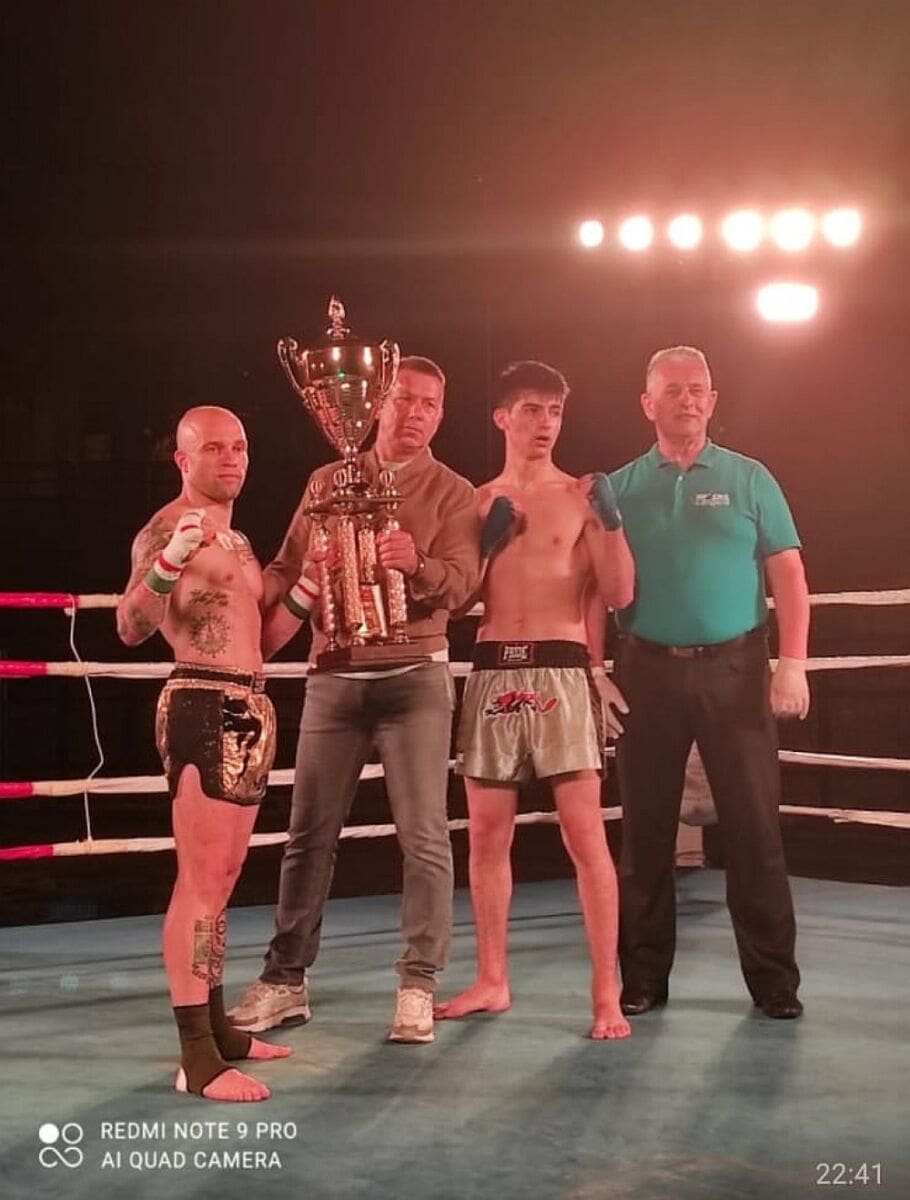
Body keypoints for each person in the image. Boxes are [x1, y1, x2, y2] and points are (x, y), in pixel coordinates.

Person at [229, 356, 480, 1044]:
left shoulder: (454, 492)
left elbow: (463, 586)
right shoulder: (326, 480)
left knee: (424, 835)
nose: (416, 412)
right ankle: (285, 978)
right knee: (307, 835)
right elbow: (285, 566)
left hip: (415, 674)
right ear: (377, 404)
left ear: (441, 414)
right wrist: (230, 578)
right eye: (405, 399)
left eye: (429, 403)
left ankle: (418, 984)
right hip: (334, 673)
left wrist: (416, 564)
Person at [606, 345, 810, 1020]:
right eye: (673, 390)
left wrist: (793, 663)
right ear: (648, 403)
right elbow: (589, 582)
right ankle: (642, 980)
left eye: (697, 388)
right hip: (645, 669)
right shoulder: (619, 487)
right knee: (645, 833)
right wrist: (590, 670)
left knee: (754, 829)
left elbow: (789, 575)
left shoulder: (750, 477)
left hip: (736, 668)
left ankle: (775, 982)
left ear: (712, 400)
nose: (687, 399)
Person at [434, 360, 636, 1039]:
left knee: (586, 835)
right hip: (493, 668)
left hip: (562, 669)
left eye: (554, 411)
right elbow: (455, 602)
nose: (545, 423)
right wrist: (485, 546)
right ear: (502, 418)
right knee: (487, 836)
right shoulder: (475, 501)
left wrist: (612, 522)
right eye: (531, 410)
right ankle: (492, 979)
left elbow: (620, 592)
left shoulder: (580, 497)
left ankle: (606, 992)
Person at [116, 405, 290, 1102]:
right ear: (183, 460)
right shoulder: (166, 527)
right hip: (201, 703)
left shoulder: (241, 543)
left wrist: (310, 587)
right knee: (200, 882)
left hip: (249, 703)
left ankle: (218, 1030)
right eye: (214, 448)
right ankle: (197, 1058)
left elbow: (260, 640)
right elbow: (130, 625)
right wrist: (167, 563)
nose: (231, 458)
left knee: (223, 878)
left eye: (239, 446)